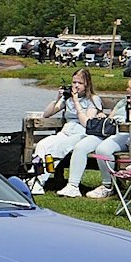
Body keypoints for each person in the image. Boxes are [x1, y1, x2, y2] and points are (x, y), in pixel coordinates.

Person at [84, 75, 131, 199]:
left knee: (103, 149)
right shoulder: (123, 102)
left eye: (130, 88)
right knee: (99, 148)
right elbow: (111, 118)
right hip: (117, 133)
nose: (127, 90)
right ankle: (109, 184)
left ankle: (108, 186)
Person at [34, 68, 106, 196]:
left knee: (58, 148)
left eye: (80, 83)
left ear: (87, 84)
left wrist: (77, 102)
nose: (76, 86)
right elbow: (46, 114)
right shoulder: (68, 99)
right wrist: (58, 98)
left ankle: (40, 182)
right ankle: (35, 178)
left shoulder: (93, 99)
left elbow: (87, 123)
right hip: (65, 131)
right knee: (43, 145)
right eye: (74, 82)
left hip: (82, 133)